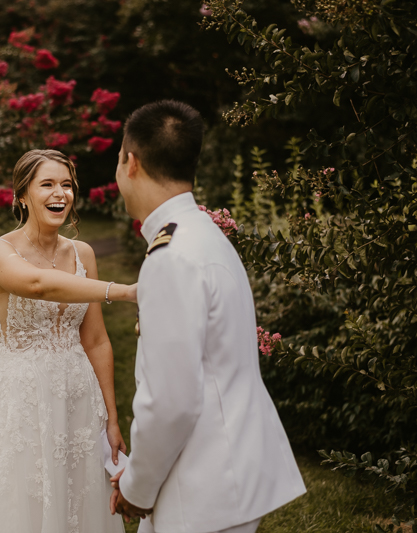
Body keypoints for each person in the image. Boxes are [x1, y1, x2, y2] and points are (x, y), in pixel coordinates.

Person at [109, 101, 307, 533]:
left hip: (201, 484)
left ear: (132, 162)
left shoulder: (170, 256)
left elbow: (170, 401)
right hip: (230, 469)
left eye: (118, 160)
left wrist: (137, 488)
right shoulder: (205, 234)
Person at [0, 149, 131, 533]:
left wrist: (112, 418)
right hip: (25, 402)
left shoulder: (83, 253)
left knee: (77, 506)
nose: (59, 193)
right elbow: (36, 285)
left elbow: (96, 340)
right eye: (47, 184)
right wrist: (124, 291)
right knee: (26, 506)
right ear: (22, 195)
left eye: (66, 184)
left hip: (81, 403)